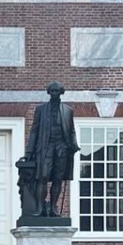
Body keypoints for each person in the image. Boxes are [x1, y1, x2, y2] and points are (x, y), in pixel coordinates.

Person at [25, 80, 80, 218]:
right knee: (43, 177)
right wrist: (29, 151)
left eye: (57, 91)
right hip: (45, 146)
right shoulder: (41, 110)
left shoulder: (68, 111)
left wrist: (73, 144)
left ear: (61, 93)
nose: (54, 93)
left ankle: (54, 208)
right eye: (52, 91)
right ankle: (39, 208)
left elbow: (71, 130)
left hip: (62, 146)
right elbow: (34, 131)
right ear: (49, 93)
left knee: (58, 178)